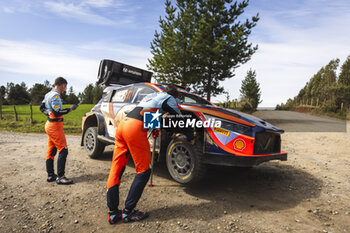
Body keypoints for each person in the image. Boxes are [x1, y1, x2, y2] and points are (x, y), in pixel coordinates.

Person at [106, 84, 194, 224]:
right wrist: (190, 135)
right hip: (135, 129)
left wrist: (154, 127)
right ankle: (128, 212)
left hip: (123, 125)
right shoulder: (169, 98)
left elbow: (146, 112)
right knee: (144, 171)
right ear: (175, 96)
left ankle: (113, 213)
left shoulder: (152, 96)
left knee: (117, 168)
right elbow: (179, 118)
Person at [40, 77, 78, 185]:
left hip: (49, 125)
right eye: (65, 86)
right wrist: (70, 109)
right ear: (62, 85)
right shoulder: (56, 95)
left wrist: (47, 113)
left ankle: (51, 175)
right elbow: (57, 112)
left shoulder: (48, 94)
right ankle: (61, 177)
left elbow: (41, 107)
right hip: (55, 126)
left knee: (51, 151)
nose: (65, 89)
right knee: (63, 150)